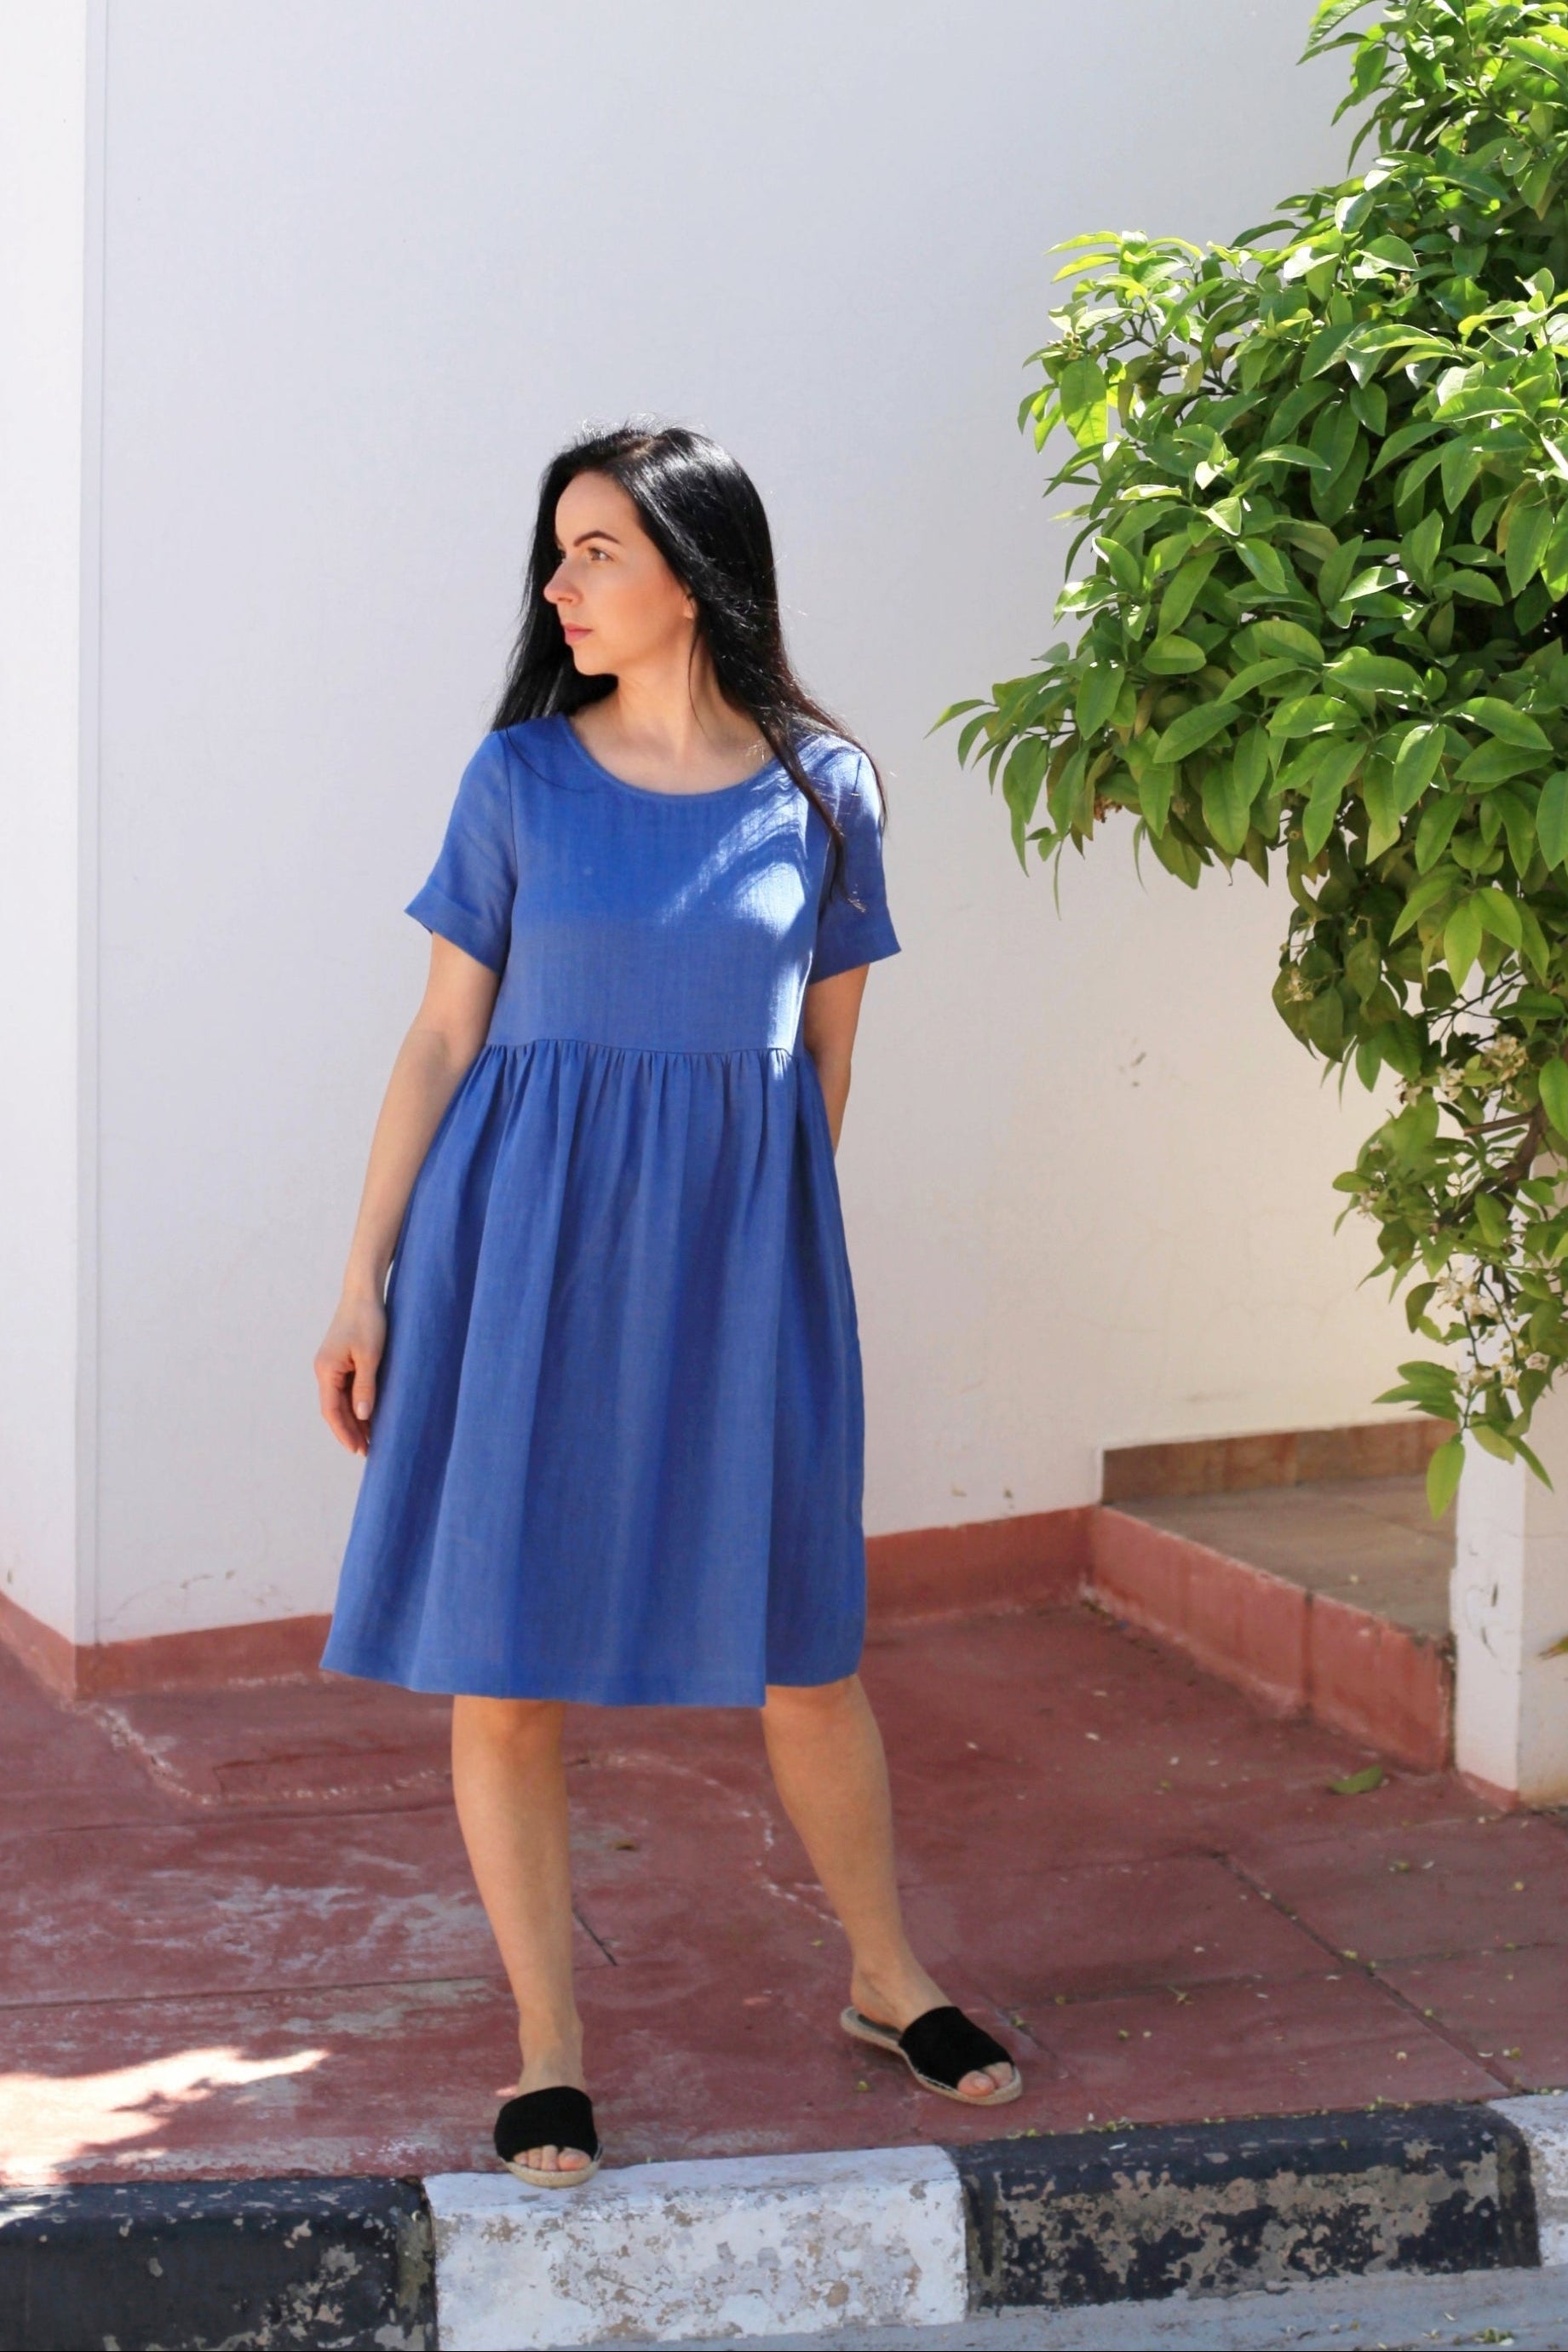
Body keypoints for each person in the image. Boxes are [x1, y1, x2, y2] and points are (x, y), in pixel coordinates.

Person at [313, 422, 1020, 2188]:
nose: (557, 586)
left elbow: (825, 1067)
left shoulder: (826, 790)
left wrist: (760, 1257)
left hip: (738, 1264)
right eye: (553, 553)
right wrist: (364, 1278)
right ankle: (551, 2047)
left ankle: (886, 1974)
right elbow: (441, 1036)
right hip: (514, 1253)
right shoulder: (519, 783)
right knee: (508, 1659)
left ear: (696, 575)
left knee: (805, 1650)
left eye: (596, 549)